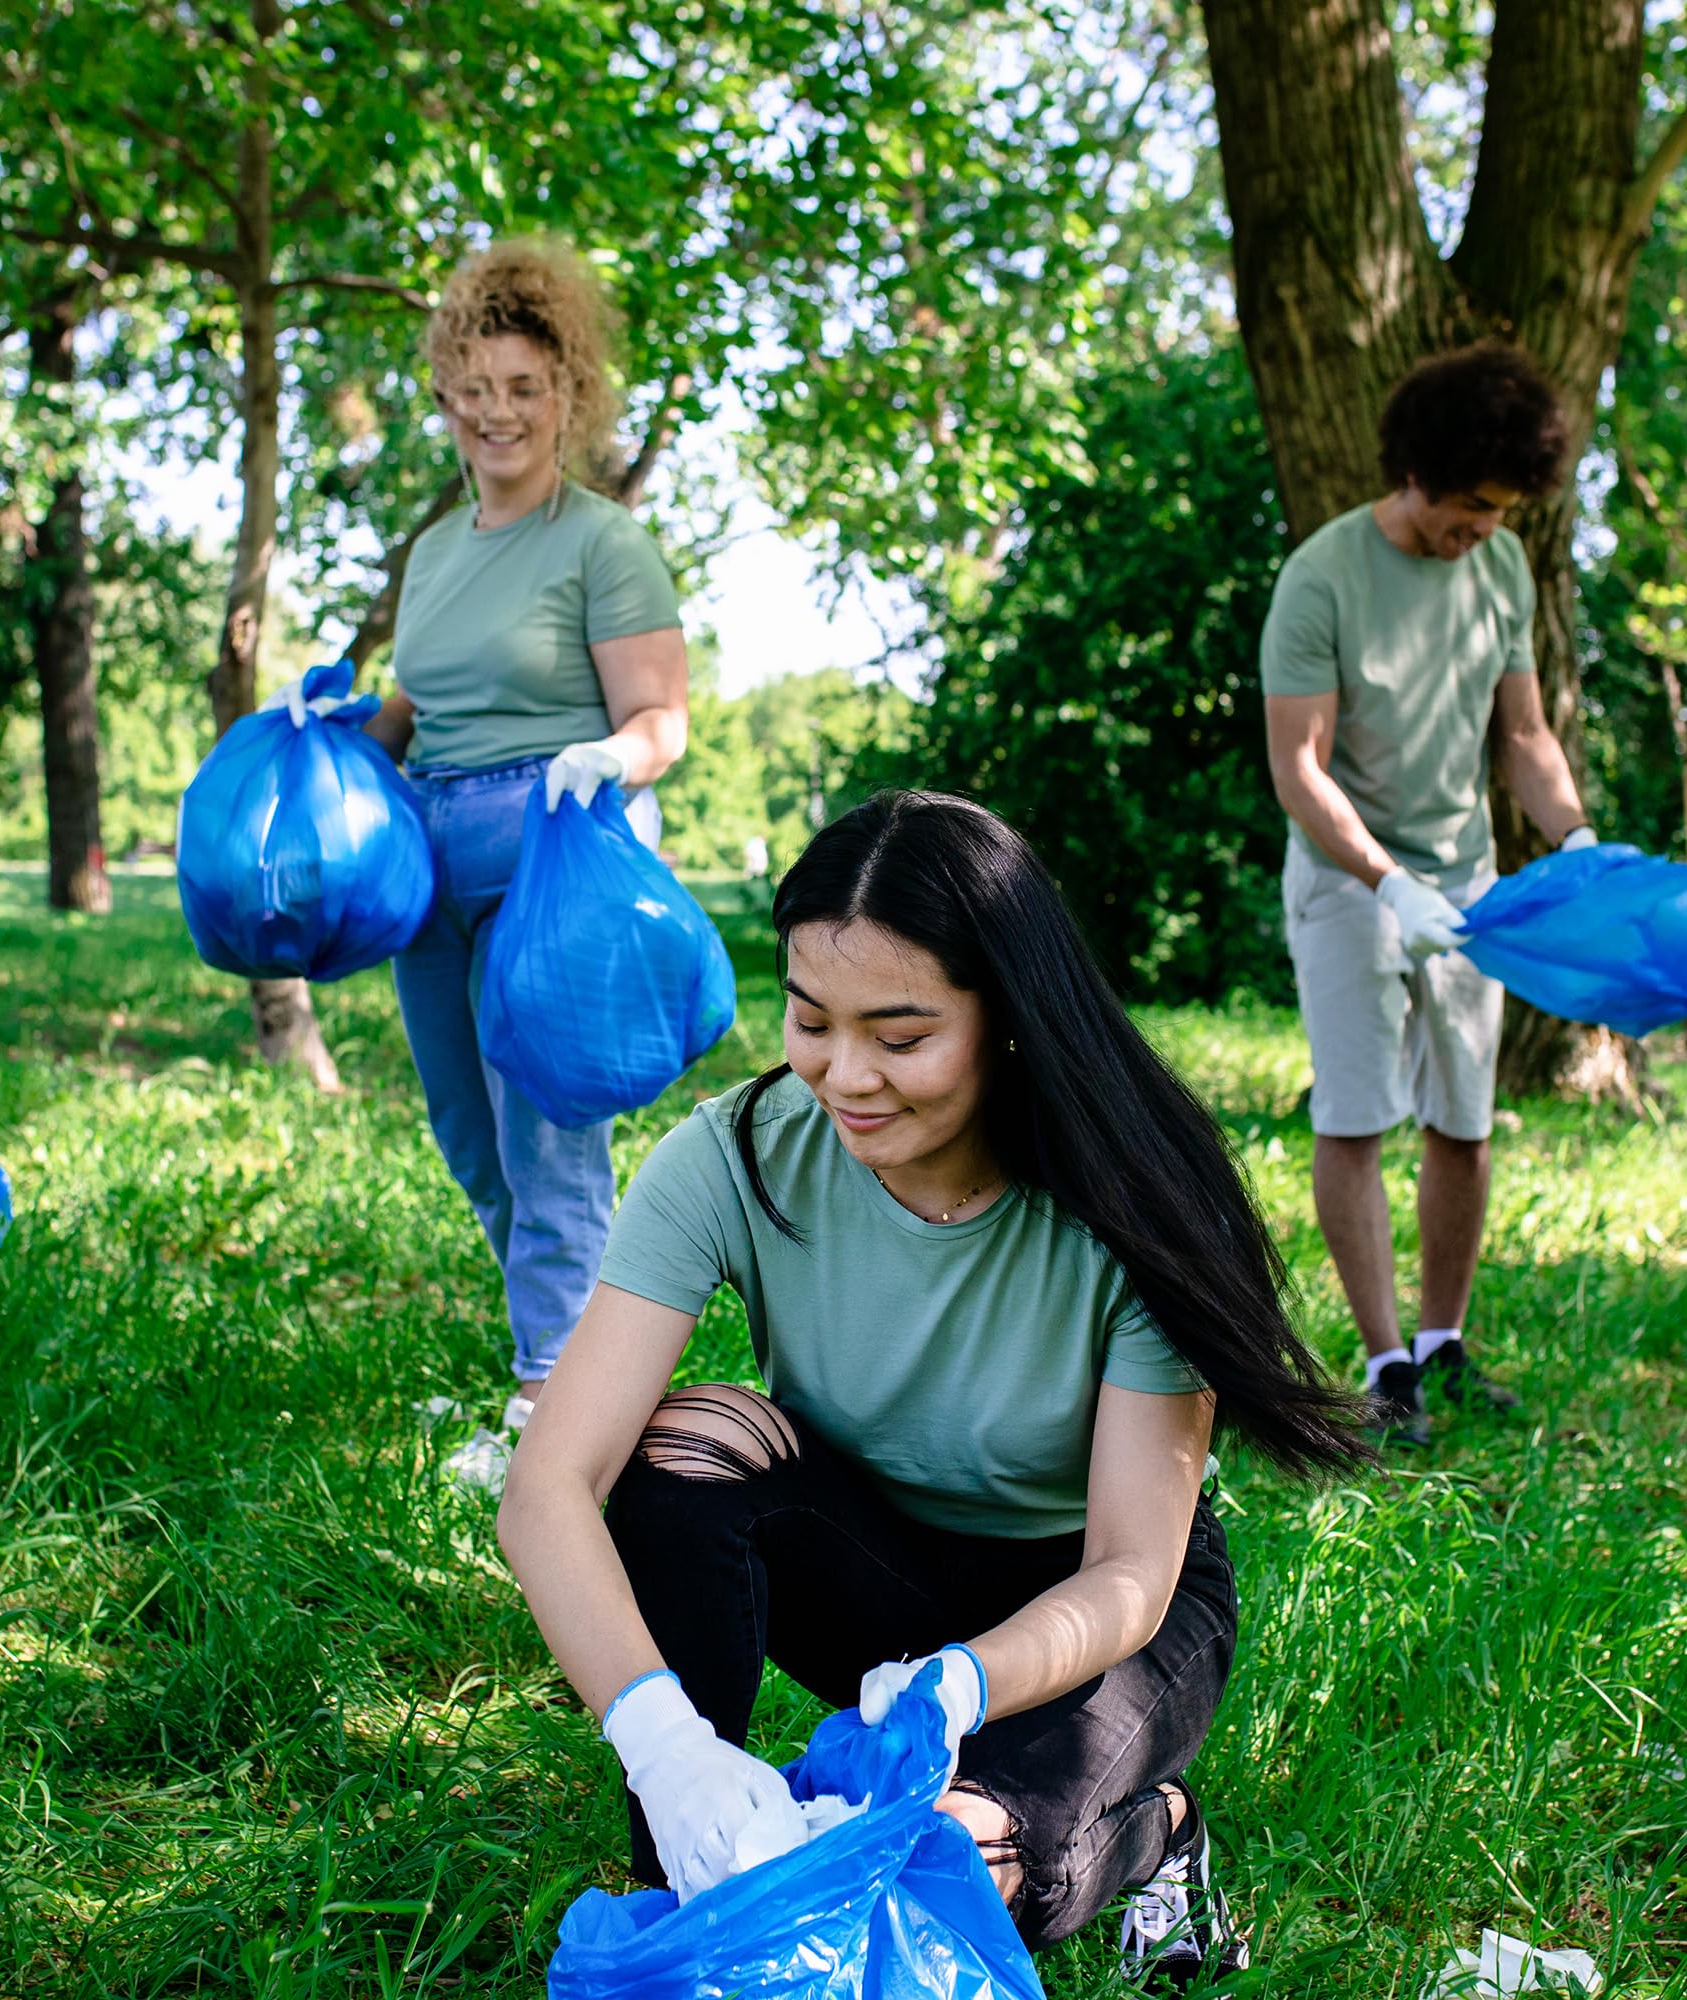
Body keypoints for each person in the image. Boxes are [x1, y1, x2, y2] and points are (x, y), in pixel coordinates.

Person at [497, 790, 1371, 1985]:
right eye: (810, 1020)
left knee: (958, 1867)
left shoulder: (1135, 1201)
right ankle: (693, 1893)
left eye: (900, 1036)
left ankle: (1155, 1829)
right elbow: (548, 1483)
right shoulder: (731, 1155)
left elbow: (1128, 1567)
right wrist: (663, 1745)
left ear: (1006, 1019)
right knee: (688, 1437)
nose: (842, 1074)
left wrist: (967, 1681)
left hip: (1102, 1607)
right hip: (884, 1572)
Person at [270, 239, 689, 1474]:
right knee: (470, 1132)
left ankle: (553, 1415)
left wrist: (606, 763)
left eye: (525, 385)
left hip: (552, 851)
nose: (499, 411)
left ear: (568, 393)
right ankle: (580, 1357)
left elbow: (660, 719)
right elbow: (420, 702)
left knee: (546, 1136)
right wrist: (345, 728)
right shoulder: (439, 550)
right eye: (476, 384)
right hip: (428, 859)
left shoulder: (603, 543)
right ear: (444, 393)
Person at [1261, 343, 1594, 1446]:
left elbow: (1525, 736)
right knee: (1354, 1115)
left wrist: (1576, 840)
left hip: (1465, 882)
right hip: (1347, 875)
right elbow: (1298, 768)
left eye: (1499, 510)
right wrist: (1384, 882)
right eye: (1466, 506)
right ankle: (1383, 1361)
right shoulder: (1320, 575)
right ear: (1412, 473)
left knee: (1462, 1116)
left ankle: (1444, 1345)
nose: (1480, 529)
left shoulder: (1498, 570)